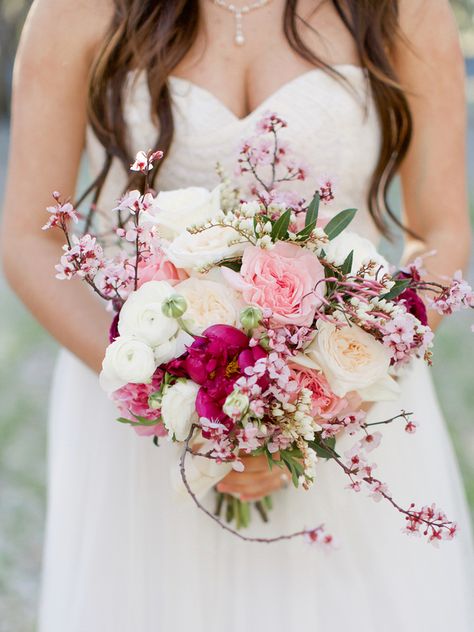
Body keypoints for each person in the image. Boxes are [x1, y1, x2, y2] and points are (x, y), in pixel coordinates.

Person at [1, 1, 473, 630]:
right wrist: (164, 390)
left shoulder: (405, 9)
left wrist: (327, 390)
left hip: (342, 416)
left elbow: (441, 228)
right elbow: (29, 237)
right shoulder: (77, 10)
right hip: (140, 421)